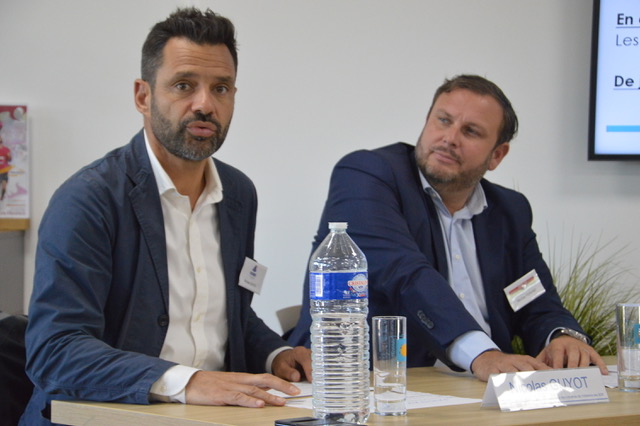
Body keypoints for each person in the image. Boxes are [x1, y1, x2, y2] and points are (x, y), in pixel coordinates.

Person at [22, 8, 311, 425]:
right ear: (143, 96)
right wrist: (189, 382)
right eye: (183, 85)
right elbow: (56, 349)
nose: (205, 104)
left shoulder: (238, 193)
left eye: (221, 88)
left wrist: (278, 353)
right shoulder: (88, 198)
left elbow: (225, 313)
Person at [288, 74, 607, 382]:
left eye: (470, 131)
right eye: (443, 120)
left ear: (497, 154)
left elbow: (531, 298)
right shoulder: (367, 175)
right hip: (373, 382)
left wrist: (562, 336)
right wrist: (483, 355)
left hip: (485, 386)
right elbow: (405, 273)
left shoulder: (510, 210)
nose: (450, 138)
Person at [0, 122, 12, 201]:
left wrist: (8, 156)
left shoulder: (6, 149)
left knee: (4, 184)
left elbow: (10, 159)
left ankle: (2, 197)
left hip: (4, 170)